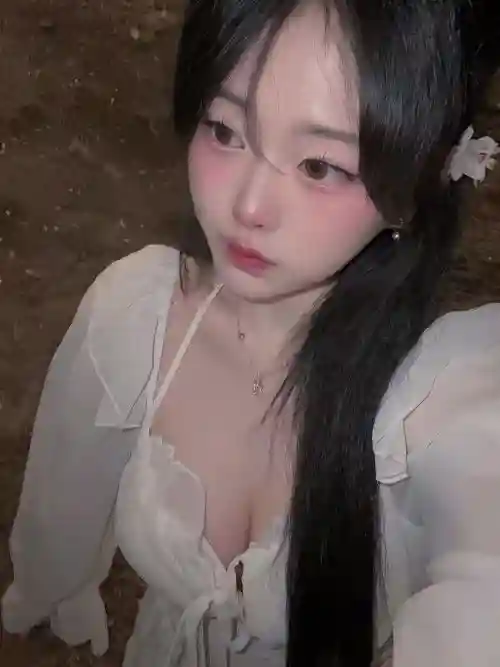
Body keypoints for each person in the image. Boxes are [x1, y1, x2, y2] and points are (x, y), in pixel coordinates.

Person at [2, 1, 500, 666]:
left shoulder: (437, 405)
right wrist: (48, 588)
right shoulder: (138, 317)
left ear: (416, 186)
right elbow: (60, 504)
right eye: (225, 130)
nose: (248, 206)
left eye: (319, 166)